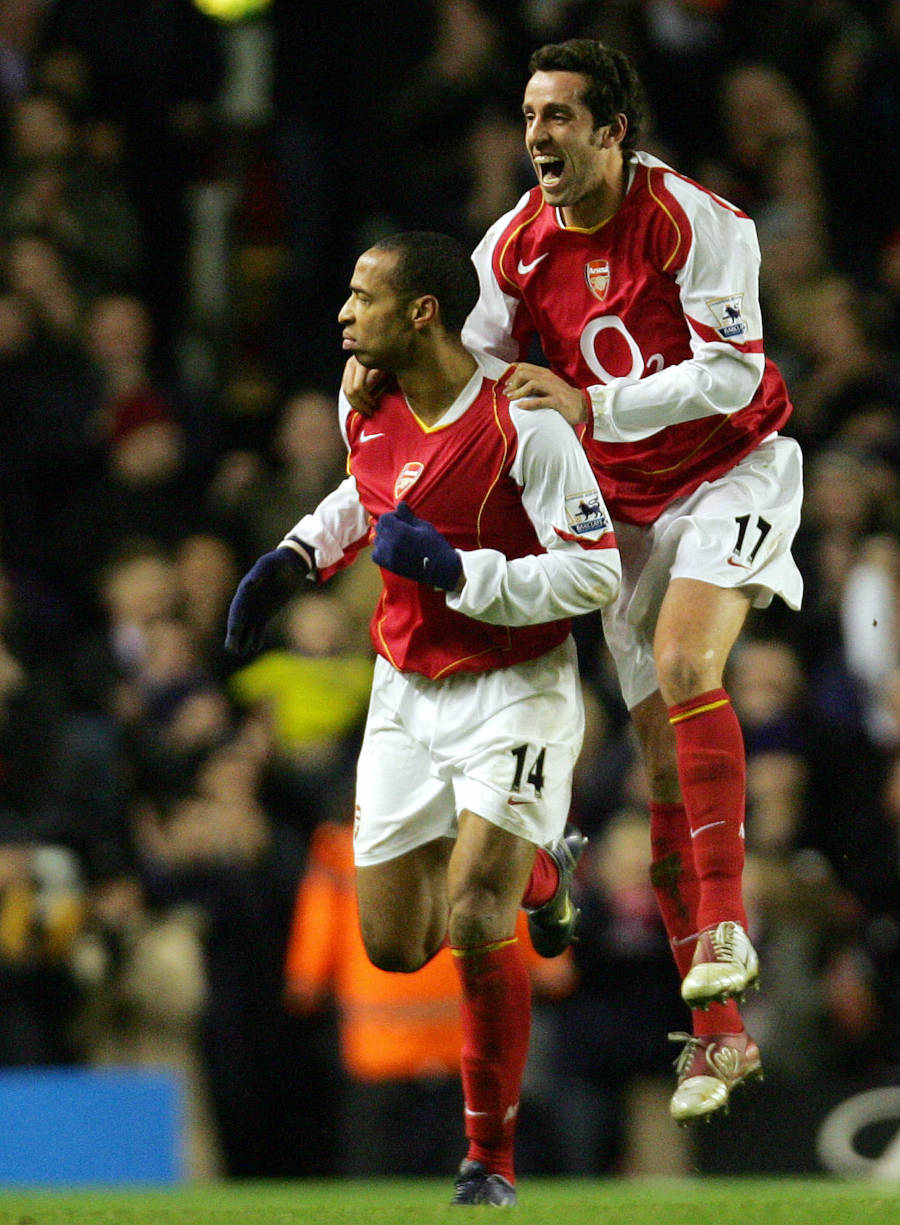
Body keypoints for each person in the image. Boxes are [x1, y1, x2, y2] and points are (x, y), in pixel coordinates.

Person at [343, 38, 804, 1126]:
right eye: (529, 114)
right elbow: (479, 372)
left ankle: (728, 923)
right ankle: (719, 1037)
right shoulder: (512, 248)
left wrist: (598, 411)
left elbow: (734, 371)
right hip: (626, 509)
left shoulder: (697, 221)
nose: (537, 135)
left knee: (691, 657)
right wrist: (384, 369)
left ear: (612, 130)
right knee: (659, 769)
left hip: (730, 467)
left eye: (559, 116)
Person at [224, 230, 621, 1203]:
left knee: (477, 906)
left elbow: (596, 570)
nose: (341, 312)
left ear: (422, 312)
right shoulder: (365, 400)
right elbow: (369, 500)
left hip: (514, 687)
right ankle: (544, 867)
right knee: (398, 946)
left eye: (362, 296)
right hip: (404, 691)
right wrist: (293, 557)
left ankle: (488, 1155)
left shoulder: (525, 424)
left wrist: (459, 572)